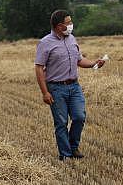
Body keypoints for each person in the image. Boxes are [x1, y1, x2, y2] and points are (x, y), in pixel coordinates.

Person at [35, 10, 105, 160]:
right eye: (69, 22)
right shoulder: (45, 43)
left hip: (74, 86)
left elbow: (79, 60)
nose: (71, 25)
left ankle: (73, 147)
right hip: (55, 88)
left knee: (79, 117)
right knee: (61, 122)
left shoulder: (72, 39)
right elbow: (39, 68)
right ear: (60, 26)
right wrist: (45, 92)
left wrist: (94, 63)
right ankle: (65, 154)